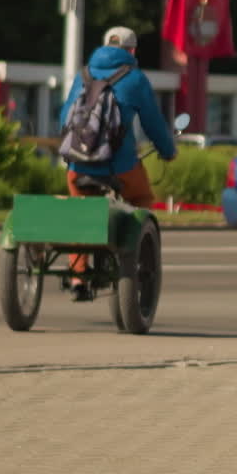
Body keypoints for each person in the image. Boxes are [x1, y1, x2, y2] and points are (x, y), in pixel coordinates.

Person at [60, 26, 177, 300]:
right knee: (142, 197)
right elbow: (154, 125)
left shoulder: (83, 75)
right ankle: (132, 257)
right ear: (132, 51)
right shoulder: (135, 79)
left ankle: (78, 276)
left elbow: (64, 118)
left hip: (78, 167)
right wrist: (167, 151)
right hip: (120, 168)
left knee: (81, 209)